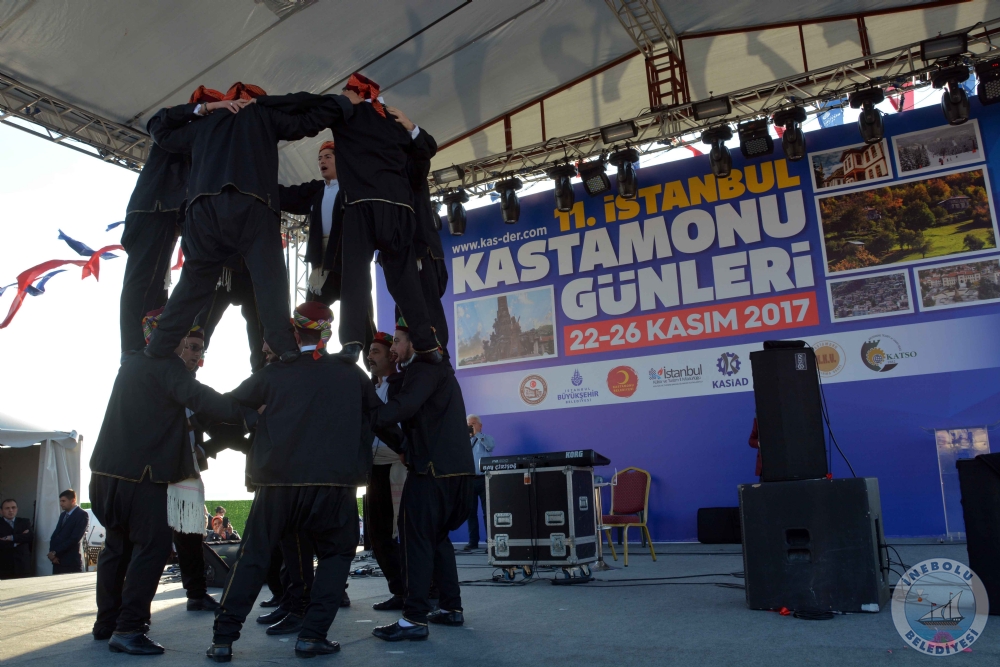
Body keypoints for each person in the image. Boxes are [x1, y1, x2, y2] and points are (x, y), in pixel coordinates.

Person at [207, 302, 401, 662]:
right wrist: (408, 450)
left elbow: (226, 408)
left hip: (278, 485)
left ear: (295, 333)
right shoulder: (351, 374)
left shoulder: (276, 373)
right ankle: (312, 636)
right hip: (334, 486)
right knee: (336, 554)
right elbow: (382, 419)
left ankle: (223, 638)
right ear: (326, 333)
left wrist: (255, 416)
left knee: (252, 558)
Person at [90, 311, 256, 655]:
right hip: (143, 479)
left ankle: (106, 621)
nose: (193, 353)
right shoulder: (167, 368)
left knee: (116, 548)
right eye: (188, 342)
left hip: (105, 476)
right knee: (152, 549)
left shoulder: (131, 363)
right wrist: (254, 412)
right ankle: (129, 628)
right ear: (173, 339)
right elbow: (212, 403)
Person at [145, 83, 340, 363]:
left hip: (204, 209)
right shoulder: (262, 115)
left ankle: (153, 356)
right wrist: (272, 104)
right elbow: (316, 115)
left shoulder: (205, 121)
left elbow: (158, 126)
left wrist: (205, 108)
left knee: (190, 289)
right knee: (270, 287)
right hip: (252, 205)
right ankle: (288, 358)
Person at [321, 74, 439, 362]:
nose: (341, 96)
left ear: (359, 94)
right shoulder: (386, 119)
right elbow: (425, 153)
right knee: (403, 280)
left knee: (357, 279)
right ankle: (426, 345)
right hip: (396, 210)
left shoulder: (352, 114)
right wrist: (411, 129)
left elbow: (424, 155)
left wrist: (411, 128)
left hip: (364, 207)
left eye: (345, 92)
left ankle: (351, 344)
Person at [370, 319, 476, 641]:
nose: (394, 349)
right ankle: (450, 607)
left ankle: (414, 617)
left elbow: (401, 409)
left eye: (398, 342)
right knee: (438, 539)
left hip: (431, 472)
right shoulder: (441, 370)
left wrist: (365, 409)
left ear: (413, 344)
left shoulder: (423, 369)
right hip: (454, 472)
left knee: (415, 542)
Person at [393, 106, 449, 348]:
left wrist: (410, 127)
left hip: (420, 249)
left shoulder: (412, 166)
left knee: (427, 310)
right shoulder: (381, 173)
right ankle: (408, 358)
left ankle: (437, 359)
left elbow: (428, 148)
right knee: (402, 313)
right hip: (396, 253)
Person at [366, 332, 407, 610]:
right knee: (378, 535)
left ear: (392, 356)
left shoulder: (403, 385)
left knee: (405, 531)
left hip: (399, 465)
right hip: (374, 469)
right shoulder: (370, 389)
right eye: (369, 351)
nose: (370, 356)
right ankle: (400, 589)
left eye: (376, 352)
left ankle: (423, 588)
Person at [464, 414, 495, 551]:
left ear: (480, 425)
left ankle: (491, 542)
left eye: (473, 423)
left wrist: (478, 435)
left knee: (487, 512)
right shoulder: (462, 441)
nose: (470, 425)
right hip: (469, 480)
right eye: (468, 424)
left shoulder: (487, 438)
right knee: (470, 513)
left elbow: (490, 447)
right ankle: (473, 542)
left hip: (484, 479)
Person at [48, 489, 88, 575]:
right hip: (57, 561)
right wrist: (52, 554)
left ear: (73, 500)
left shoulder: (82, 515)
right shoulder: (63, 515)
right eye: (60, 501)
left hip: (71, 562)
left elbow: (74, 538)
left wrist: (55, 552)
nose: (61, 504)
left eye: (63, 501)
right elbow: (55, 535)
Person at [0, 498, 33, 579]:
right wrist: (18, 540)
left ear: (17, 509)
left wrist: (11, 538)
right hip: (4, 565)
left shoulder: (24, 522)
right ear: (1, 511)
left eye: (13, 507)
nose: (11, 510)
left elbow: (30, 537)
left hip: (23, 564)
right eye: (7, 508)